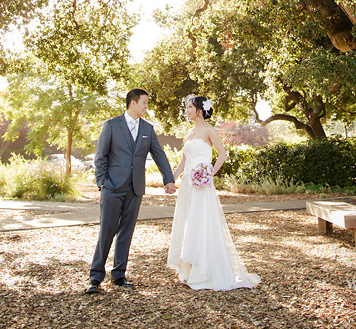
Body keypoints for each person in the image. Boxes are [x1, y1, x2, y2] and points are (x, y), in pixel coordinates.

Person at [85, 88, 176, 293]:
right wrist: (102, 183)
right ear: (132, 103)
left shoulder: (147, 129)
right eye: (144, 103)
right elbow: (100, 157)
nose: (146, 107)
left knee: (126, 233)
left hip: (135, 189)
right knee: (106, 232)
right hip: (112, 188)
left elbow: (159, 154)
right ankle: (95, 277)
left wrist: (168, 180)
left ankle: (119, 275)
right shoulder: (111, 125)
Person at [167, 94, 260, 290]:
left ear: (199, 110)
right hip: (187, 186)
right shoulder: (188, 133)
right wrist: (171, 180)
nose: (187, 111)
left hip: (202, 185)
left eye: (190, 107)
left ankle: (203, 270)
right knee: (187, 222)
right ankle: (189, 268)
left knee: (201, 223)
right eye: (186, 107)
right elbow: (183, 162)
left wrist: (209, 173)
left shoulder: (209, 131)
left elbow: (222, 154)